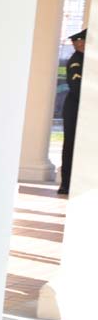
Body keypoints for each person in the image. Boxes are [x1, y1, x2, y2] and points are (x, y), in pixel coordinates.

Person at [63, 28, 84, 196]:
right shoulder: (77, 61)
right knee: (70, 145)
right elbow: (76, 86)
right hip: (75, 108)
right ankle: (66, 184)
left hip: (80, 107)